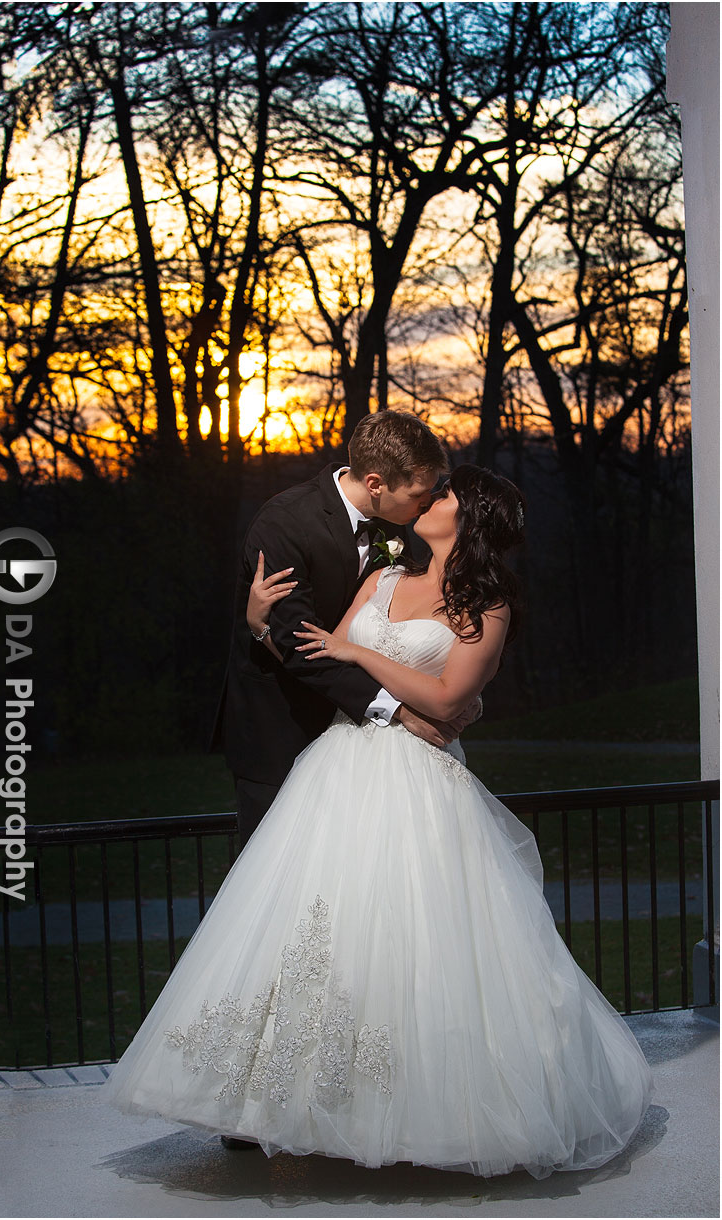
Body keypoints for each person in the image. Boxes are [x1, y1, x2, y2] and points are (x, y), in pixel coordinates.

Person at [103, 463, 653, 1178]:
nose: (430, 498)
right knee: (309, 930)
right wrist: (257, 625)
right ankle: (285, 1106)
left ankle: (418, 1115)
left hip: (421, 783)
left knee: (417, 941)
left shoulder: (484, 606)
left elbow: (451, 697)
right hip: (337, 771)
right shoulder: (384, 578)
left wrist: (359, 651)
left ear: (472, 518)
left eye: (446, 493)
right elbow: (312, 655)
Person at [213, 409, 481, 848]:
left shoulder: (400, 525)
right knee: (277, 874)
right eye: (419, 491)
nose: (427, 501)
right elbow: (301, 645)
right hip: (282, 728)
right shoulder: (285, 522)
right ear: (376, 484)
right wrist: (398, 712)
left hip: (362, 747)